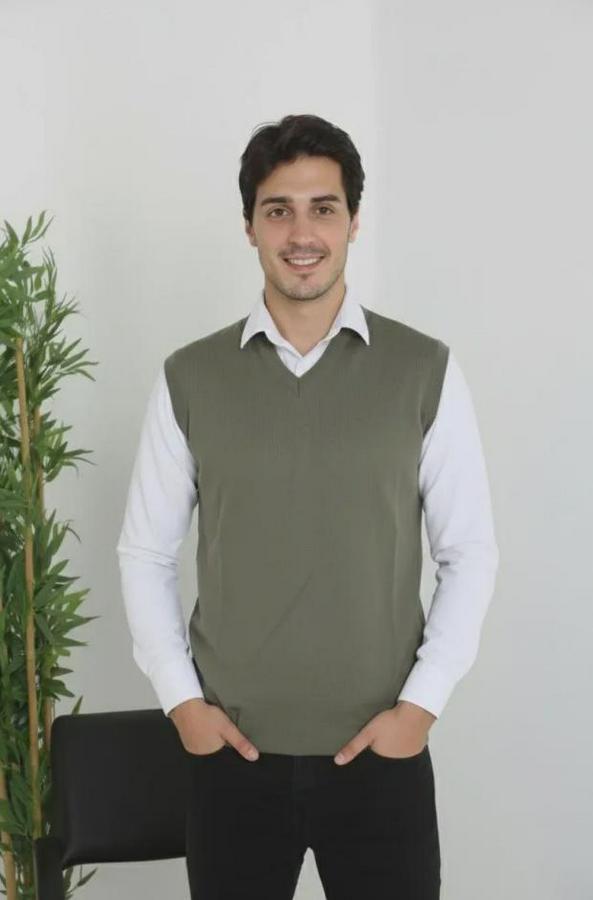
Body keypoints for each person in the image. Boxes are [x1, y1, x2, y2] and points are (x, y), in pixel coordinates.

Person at [116, 113, 499, 899]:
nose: (301, 233)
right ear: (249, 226)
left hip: (380, 755)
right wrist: (183, 704)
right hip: (231, 759)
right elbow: (145, 553)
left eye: (323, 208)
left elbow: (469, 553)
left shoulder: (422, 370)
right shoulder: (190, 377)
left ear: (353, 221)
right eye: (277, 210)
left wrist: (419, 709)